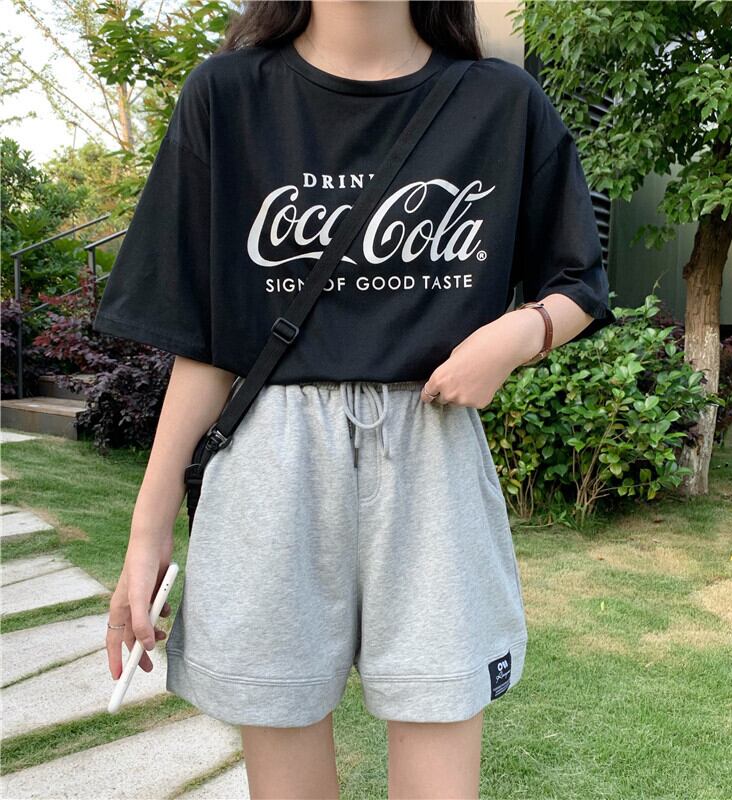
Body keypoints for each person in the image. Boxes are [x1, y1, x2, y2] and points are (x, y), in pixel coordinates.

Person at [96, 1, 615, 797]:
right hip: (270, 459)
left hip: (433, 453)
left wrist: (515, 337)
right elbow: (205, 341)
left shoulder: (500, 102)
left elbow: (580, 281)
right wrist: (147, 530)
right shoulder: (227, 97)